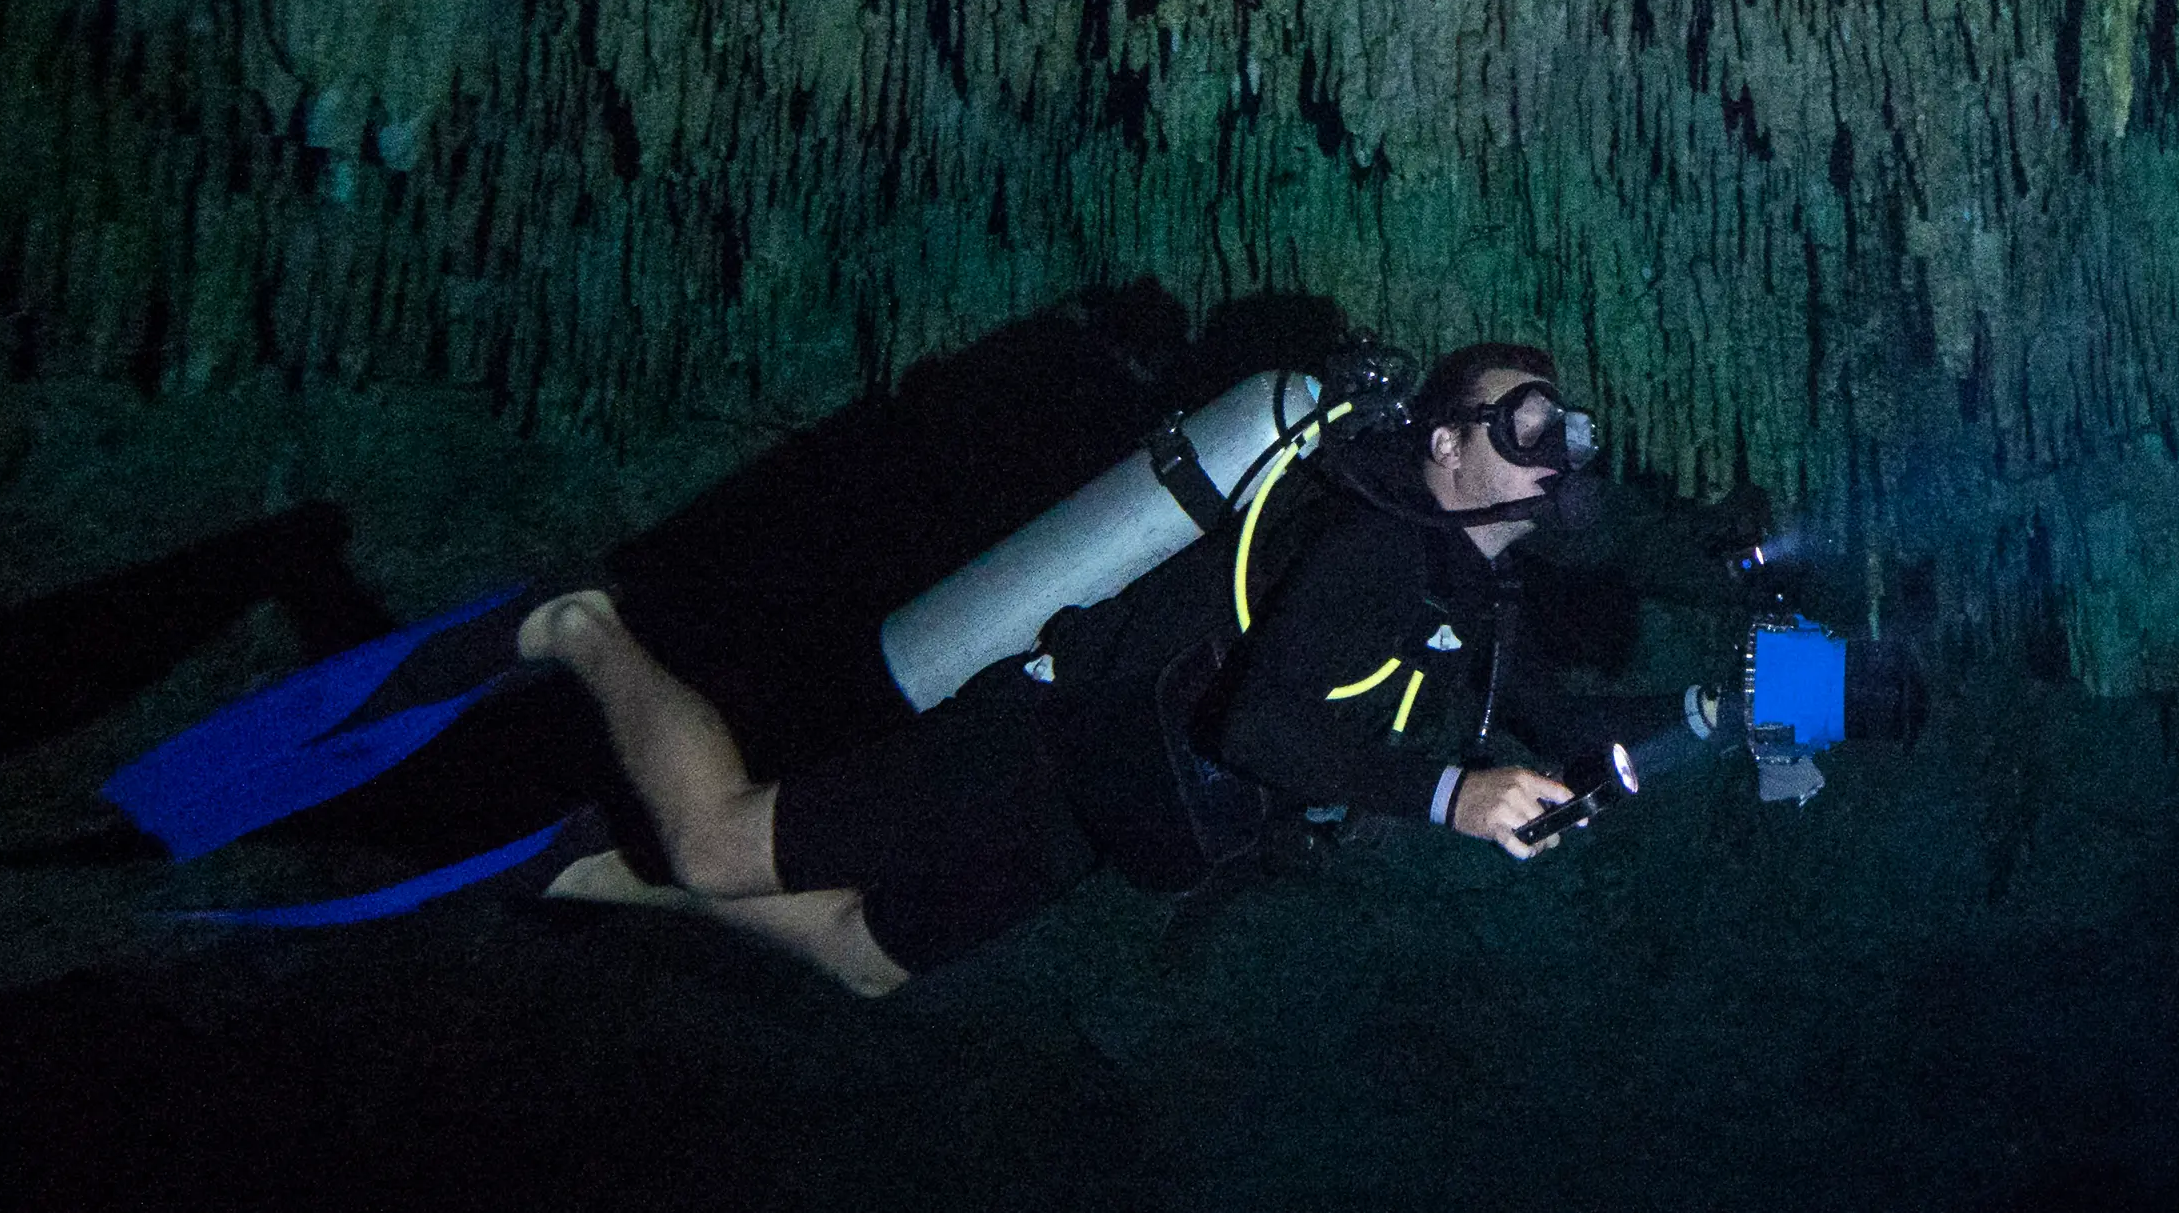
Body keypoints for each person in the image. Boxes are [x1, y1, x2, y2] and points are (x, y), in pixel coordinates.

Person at [515, 343, 1624, 997]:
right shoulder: (1375, 544)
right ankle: (586, 627)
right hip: (1041, 738)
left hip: (1100, 797)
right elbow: (1260, 726)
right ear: (1444, 441)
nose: (1552, 442)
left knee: (866, 959)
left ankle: (595, 865)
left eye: (1560, 424)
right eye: (1524, 418)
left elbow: (1560, 710)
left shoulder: (1475, 595)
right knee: (721, 842)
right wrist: (1450, 795)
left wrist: (1734, 709)